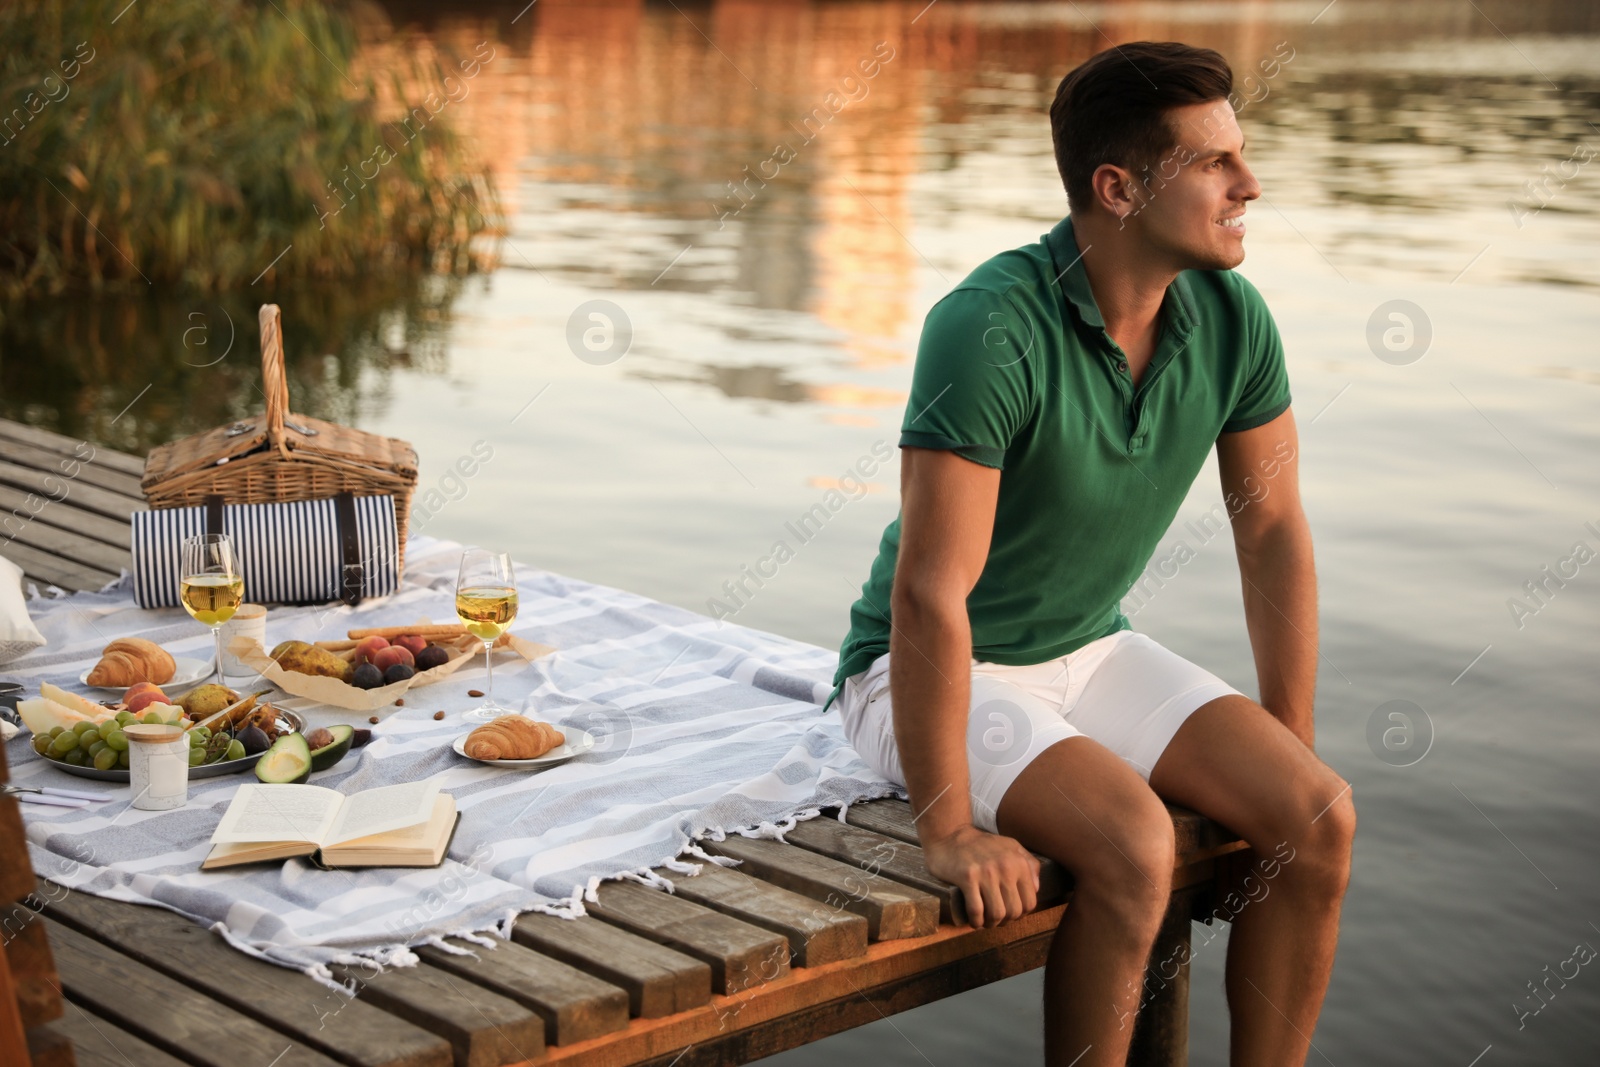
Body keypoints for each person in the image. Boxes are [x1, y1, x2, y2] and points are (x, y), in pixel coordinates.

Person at [830, 41, 1354, 1067]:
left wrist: (1289, 736)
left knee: (1317, 816)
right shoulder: (986, 328)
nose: (1248, 184)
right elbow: (932, 592)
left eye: (1239, 155)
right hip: (923, 672)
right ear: (1116, 188)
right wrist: (947, 826)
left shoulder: (1232, 318)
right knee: (1133, 843)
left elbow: (1273, 530)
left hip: (1088, 646)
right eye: (1214, 163)